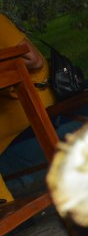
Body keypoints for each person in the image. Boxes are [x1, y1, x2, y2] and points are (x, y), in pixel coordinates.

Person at [0, 13, 56, 203]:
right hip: (12, 98)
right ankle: (6, 207)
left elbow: (35, 60)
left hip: (32, 94)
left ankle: (6, 209)